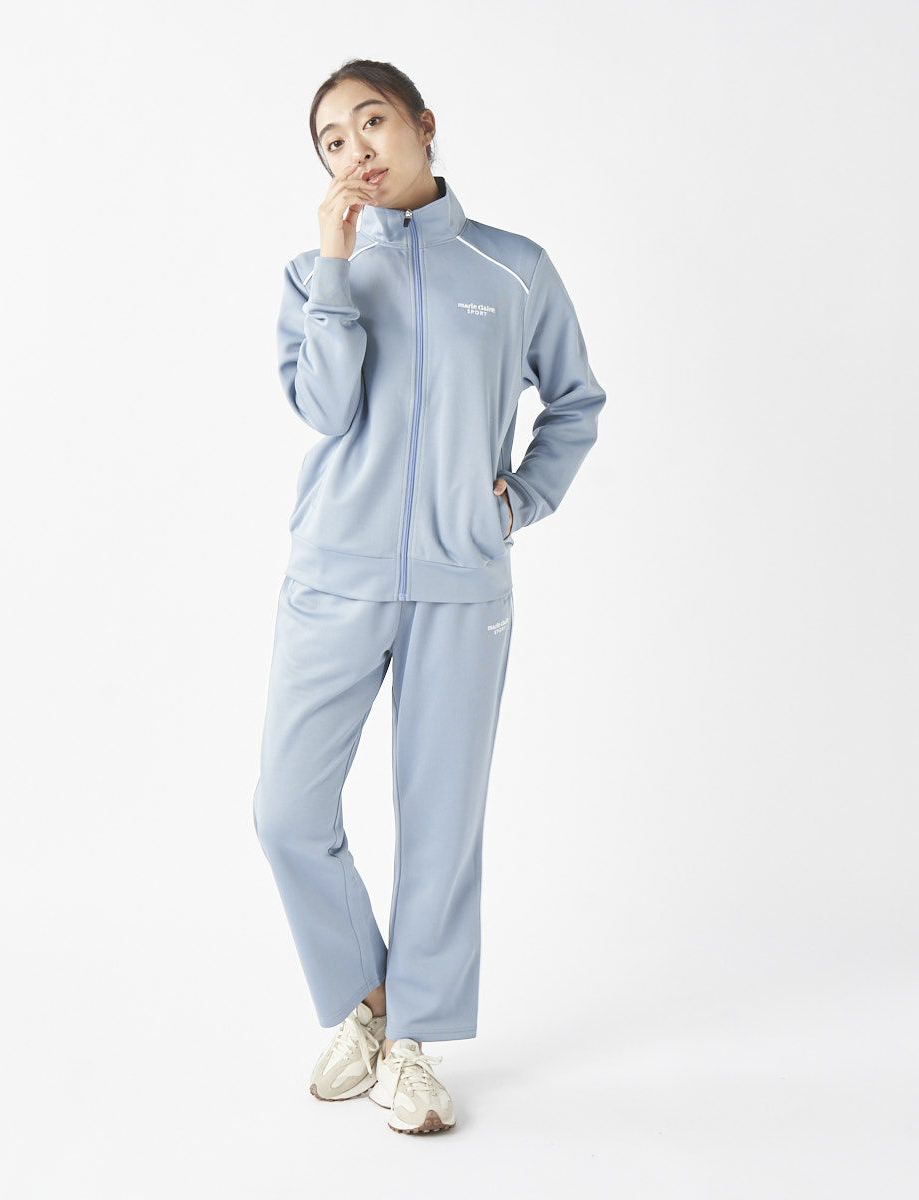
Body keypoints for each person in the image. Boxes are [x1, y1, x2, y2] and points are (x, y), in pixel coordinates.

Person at [252, 58, 607, 1135]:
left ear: (421, 123)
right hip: (333, 576)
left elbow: (576, 401)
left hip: (462, 586)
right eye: (332, 139)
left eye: (372, 120)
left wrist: (519, 502)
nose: (355, 148)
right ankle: (367, 1000)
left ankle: (411, 1044)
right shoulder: (315, 274)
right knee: (285, 812)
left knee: (440, 825)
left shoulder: (512, 268)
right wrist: (334, 262)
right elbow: (324, 409)